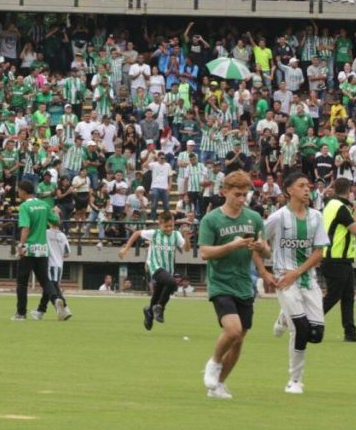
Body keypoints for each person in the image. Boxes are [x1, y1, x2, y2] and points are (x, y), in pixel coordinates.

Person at [198, 170, 270, 399]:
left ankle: (219, 385)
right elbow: (204, 253)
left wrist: (261, 248)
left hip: (244, 284)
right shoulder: (211, 220)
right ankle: (213, 362)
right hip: (220, 283)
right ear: (224, 191)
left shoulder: (254, 218)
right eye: (237, 194)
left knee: (239, 340)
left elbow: (265, 249)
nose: (241, 199)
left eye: (244, 194)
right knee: (233, 330)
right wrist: (232, 245)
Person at [262, 171, 329, 395]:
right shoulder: (279, 217)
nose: (307, 189)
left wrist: (298, 271)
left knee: (316, 335)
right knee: (300, 329)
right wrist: (265, 270)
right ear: (289, 190)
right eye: (301, 185)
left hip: (308, 279)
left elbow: (319, 252)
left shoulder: (316, 217)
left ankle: (284, 316)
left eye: (308, 185)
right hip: (285, 281)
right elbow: (258, 241)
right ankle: (295, 380)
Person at [119, 211, 190, 331]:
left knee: (157, 294)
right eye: (166, 226)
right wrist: (126, 248)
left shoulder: (176, 235)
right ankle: (160, 307)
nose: (168, 229)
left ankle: (149, 312)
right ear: (159, 224)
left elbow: (187, 249)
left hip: (168, 269)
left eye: (171, 226)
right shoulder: (154, 234)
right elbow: (136, 233)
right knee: (172, 283)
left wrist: (187, 238)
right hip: (155, 267)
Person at [320, 177, 356, 342]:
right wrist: (355, 210)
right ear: (349, 191)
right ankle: (308, 322)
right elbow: (355, 229)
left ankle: (350, 331)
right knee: (333, 296)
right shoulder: (341, 207)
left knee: (348, 296)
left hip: (338, 257)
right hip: (336, 257)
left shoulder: (330, 204)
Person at [12, 180, 62, 321]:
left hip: (29, 248)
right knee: (45, 280)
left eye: (19, 190)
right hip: (42, 248)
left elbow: (25, 228)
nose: (18, 192)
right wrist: (56, 213)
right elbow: (56, 222)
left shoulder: (24, 207)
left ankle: (21, 313)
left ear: (23, 191)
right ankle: (56, 299)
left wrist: (21, 245)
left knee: (22, 282)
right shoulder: (44, 204)